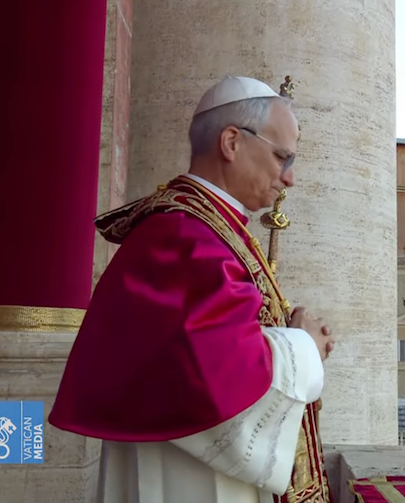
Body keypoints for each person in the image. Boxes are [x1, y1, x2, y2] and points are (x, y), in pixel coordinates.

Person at [48, 76, 335, 503]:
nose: (289, 178)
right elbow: (214, 374)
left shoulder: (207, 226)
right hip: (189, 478)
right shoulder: (186, 237)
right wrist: (303, 346)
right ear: (232, 142)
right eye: (282, 157)